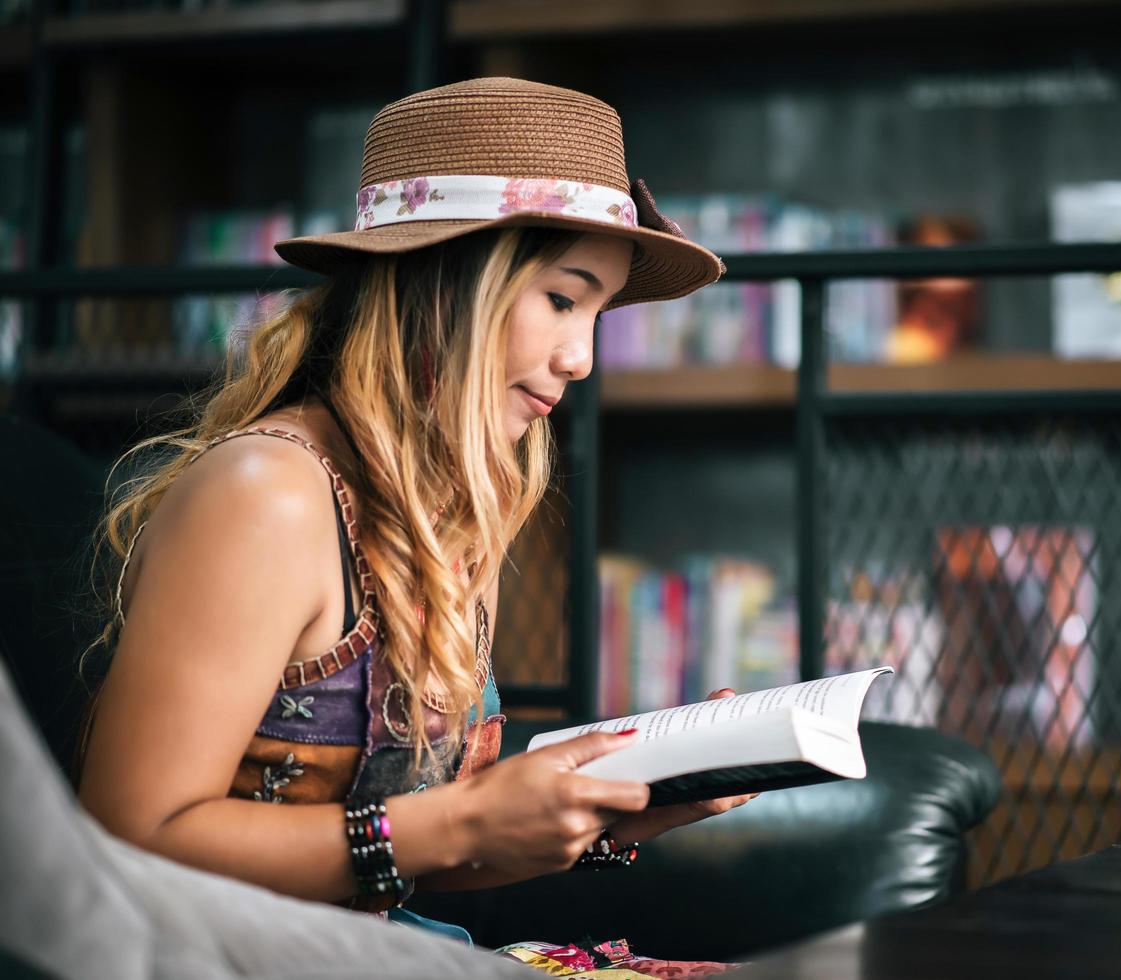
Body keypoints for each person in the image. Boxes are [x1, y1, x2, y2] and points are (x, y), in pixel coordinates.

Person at [74, 77, 748, 977]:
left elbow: (393, 853)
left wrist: (605, 815)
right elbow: (128, 841)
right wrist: (465, 819)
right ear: (448, 276)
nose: (579, 359)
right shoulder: (267, 493)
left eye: (595, 314)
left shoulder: (447, 509)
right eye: (562, 297)